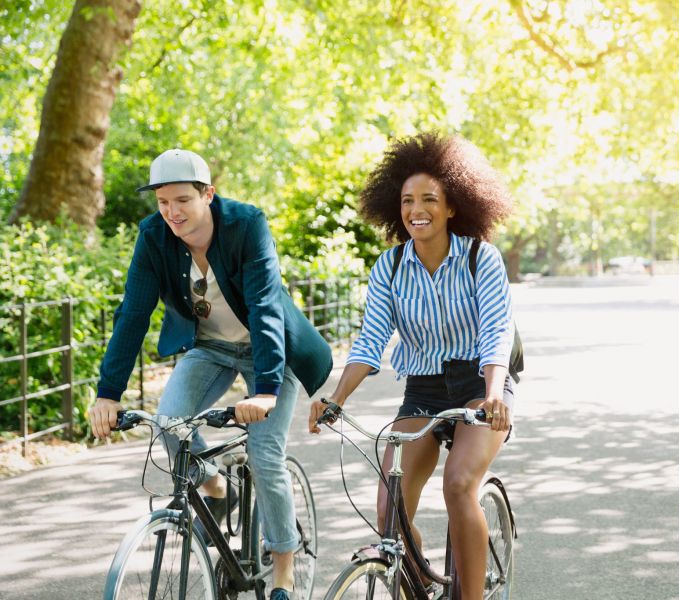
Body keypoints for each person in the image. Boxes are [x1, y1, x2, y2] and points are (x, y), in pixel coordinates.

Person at [88, 149, 331, 600]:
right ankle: (218, 486)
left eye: (182, 200)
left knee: (264, 456)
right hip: (211, 349)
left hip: (266, 354)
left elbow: (264, 308)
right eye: (162, 202)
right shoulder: (153, 237)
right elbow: (133, 314)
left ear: (208, 194)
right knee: (169, 423)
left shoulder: (247, 225)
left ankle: (283, 566)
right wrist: (109, 393)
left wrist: (265, 392)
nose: (172, 212)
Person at [308, 132, 516, 600]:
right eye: (406, 200)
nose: (415, 209)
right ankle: (420, 580)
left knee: (459, 484)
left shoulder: (480, 258)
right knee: (389, 512)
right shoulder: (390, 266)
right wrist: (335, 399)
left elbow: (497, 331)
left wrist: (495, 393)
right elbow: (370, 340)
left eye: (429, 199)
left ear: (452, 206)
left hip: (478, 387)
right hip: (422, 390)